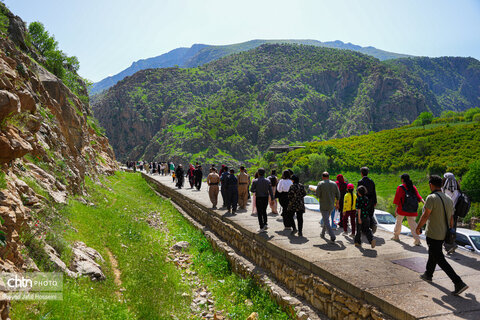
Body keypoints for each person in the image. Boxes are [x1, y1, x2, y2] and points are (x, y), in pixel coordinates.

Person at [416, 175, 468, 296]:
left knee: (439, 258)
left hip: (433, 233)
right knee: (433, 253)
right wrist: (449, 231)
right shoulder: (449, 199)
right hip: (443, 234)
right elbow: (451, 220)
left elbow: (425, 215)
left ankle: (458, 282)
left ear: (431, 185)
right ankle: (428, 274)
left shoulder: (431, 198)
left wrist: (418, 227)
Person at [392, 173, 424, 245]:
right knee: (412, 224)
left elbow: (397, 199)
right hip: (412, 209)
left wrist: (396, 209)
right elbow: (418, 196)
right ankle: (417, 240)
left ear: (402, 180)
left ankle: (396, 236)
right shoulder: (413, 187)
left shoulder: (400, 187)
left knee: (398, 222)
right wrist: (424, 202)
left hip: (402, 209)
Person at [316, 172, 340, 242]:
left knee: (326, 221)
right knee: (326, 219)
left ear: (323, 177)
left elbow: (317, 194)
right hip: (331, 205)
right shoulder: (334, 184)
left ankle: (332, 236)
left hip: (323, 205)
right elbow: (338, 195)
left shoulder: (320, 184)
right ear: (328, 177)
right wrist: (337, 203)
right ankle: (322, 233)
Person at [442, 172, 461, 254]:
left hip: (447, 212)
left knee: (445, 229)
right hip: (455, 213)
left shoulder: (445, 190)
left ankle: (449, 245)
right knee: (452, 229)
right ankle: (452, 243)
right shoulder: (457, 190)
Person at [251, 168, 273, 233]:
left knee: (259, 213)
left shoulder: (255, 181)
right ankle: (265, 224)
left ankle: (261, 227)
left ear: (258, 173)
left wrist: (257, 190)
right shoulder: (268, 181)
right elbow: (270, 191)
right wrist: (272, 198)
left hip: (259, 197)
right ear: (264, 173)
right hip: (265, 197)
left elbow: (252, 190)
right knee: (264, 211)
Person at [358, 167, 377, 233]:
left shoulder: (360, 182)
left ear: (361, 173)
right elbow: (374, 192)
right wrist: (375, 201)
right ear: (367, 173)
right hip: (371, 201)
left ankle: (364, 230)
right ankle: (372, 225)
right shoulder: (371, 181)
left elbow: (358, 193)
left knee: (363, 215)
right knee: (370, 214)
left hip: (363, 201)